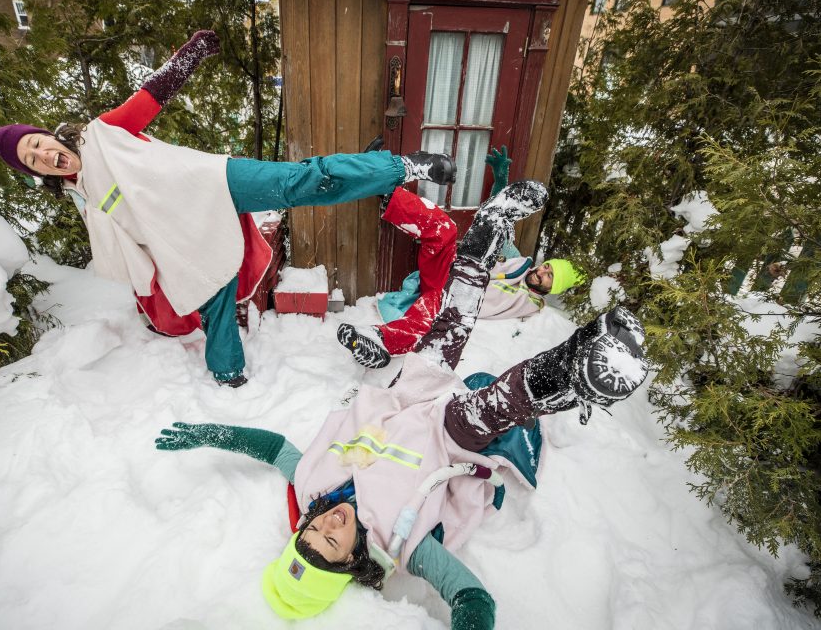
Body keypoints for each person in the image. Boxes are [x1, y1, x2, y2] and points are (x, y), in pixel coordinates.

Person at [154, 179, 649, 628]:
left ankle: (489, 228)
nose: (328, 524)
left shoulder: (312, 489)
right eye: (331, 541)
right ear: (352, 561)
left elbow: (274, 448)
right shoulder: (403, 545)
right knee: (492, 406)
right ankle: (581, 362)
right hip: (447, 434)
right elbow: (470, 596)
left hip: (404, 395)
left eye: (312, 533)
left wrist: (210, 434)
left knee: (450, 322)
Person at [0, 29, 456, 387]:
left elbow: (150, 96)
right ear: (36, 173)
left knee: (300, 180)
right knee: (214, 302)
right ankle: (230, 380)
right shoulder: (83, 197)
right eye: (31, 161)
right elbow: (129, 245)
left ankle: (402, 166)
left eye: (38, 144)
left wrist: (192, 53)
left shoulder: (102, 134)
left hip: (214, 183)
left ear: (48, 136)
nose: (43, 155)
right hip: (184, 238)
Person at [337, 147, 584, 369]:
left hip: (455, 297)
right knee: (446, 227)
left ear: (553, 289)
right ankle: (385, 191)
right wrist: (501, 183)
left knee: (430, 315)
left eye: (550, 277)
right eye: (547, 267)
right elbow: (497, 225)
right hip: (450, 269)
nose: (542, 272)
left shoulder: (532, 305)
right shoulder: (518, 262)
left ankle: (379, 342)